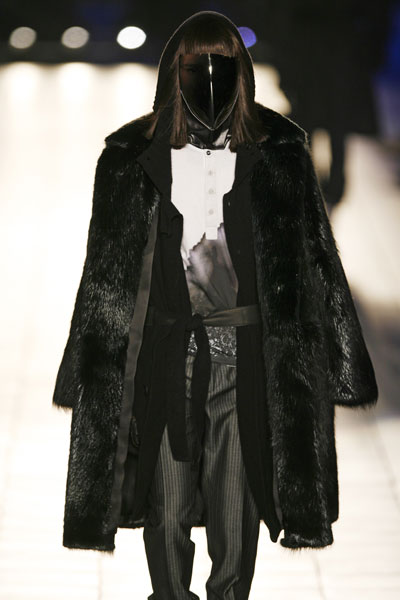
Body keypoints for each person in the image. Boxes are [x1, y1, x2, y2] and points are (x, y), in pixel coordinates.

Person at [52, 11, 378, 600]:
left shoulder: (279, 153)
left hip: (246, 361)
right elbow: (103, 276)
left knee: (236, 512)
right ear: (173, 72)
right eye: (194, 63)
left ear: (241, 72)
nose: (208, 74)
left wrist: (341, 361)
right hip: (165, 361)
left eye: (222, 62)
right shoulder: (129, 158)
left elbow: (317, 262)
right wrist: (85, 370)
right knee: (166, 509)